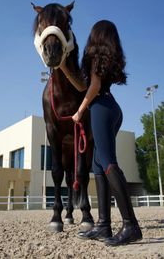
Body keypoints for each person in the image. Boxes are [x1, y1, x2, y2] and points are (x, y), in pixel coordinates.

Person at [60, 20, 142, 246]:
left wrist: (79, 111)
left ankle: (131, 225)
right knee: (98, 165)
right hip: (111, 108)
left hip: (101, 109)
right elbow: (82, 86)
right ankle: (103, 225)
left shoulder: (95, 57)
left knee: (107, 163)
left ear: (97, 36)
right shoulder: (103, 60)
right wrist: (64, 67)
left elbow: (93, 87)